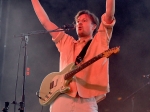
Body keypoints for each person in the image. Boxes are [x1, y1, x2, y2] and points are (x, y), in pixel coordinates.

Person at [31, 0, 115, 112]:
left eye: (84, 21)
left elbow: (109, 14)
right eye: (78, 21)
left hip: (86, 101)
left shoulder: (99, 42)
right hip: (62, 97)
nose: (79, 23)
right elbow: (45, 22)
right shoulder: (66, 42)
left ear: (94, 26)